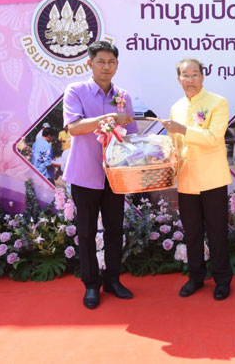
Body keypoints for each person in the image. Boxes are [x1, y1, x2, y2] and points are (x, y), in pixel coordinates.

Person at [63, 40, 138, 309]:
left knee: (115, 230)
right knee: (86, 232)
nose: (106, 67)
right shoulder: (76, 90)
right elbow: (74, 127)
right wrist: (110, 118)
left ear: (117, 65)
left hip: (115, 176)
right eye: (101, 62)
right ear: (90, 63)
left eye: (111, 62)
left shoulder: (123, 96)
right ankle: (91, 285)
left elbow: (132, 134)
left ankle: (113, 280)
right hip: (85, 173)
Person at [161, 59, 233, 300]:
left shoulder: (217, 102)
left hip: (212, 179)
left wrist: (183, 129)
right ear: (178, 79)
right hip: (187, 179)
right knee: (192, 233)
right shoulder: (176, 107)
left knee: (217, 232)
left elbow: (214, 138)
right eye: (185, 75)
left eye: (194, 74)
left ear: (203, 77)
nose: (190, 80)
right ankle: (195, 277)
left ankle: (222, 280)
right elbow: (174, 145)